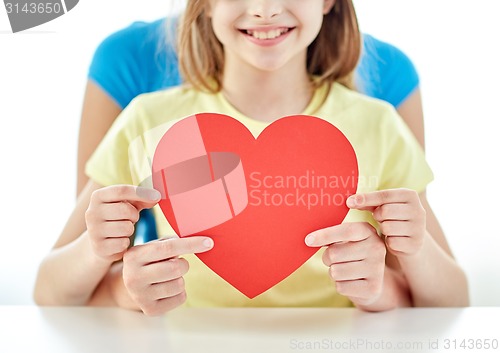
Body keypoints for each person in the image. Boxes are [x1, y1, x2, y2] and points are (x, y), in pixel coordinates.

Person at [34, 0, 468, 315]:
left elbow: (455, 298)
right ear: (202, 5)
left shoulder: (378, 125)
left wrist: (404, 263)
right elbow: (48, 291)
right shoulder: (148, 119)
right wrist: (96, 255)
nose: (264, 9)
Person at [76, 16, 425, 244]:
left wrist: (382, 292)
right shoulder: (144, 101)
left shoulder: (380, 106)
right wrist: (126, 291)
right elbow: (91, 243)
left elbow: (412, 254)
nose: (264, 9)